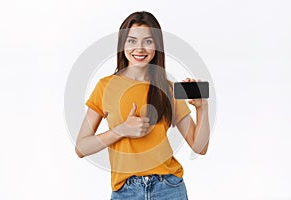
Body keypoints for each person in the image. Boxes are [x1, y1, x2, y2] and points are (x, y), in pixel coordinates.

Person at [75, 11, 210, 200]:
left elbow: (200, 147)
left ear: (157, 45)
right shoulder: (105, 87)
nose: (139, 48)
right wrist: (121, 130)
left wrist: (201, 108)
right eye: (132, 41)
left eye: (148, 41)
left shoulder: (168, 88)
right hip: (126, 192)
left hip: (169, 188)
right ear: (123, 44)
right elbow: (82, 147)